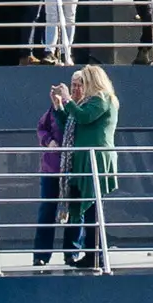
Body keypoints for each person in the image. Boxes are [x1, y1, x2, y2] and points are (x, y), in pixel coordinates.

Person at [58, 65, 119, 270]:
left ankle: (96, 254)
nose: (81, 86)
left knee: (93, 209)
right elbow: (74, 119)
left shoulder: (102, 98)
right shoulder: (93, 101)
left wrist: (68, 99)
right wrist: (61, 105)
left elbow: (85, 117)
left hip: (96, 159)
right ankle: (91, 253)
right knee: (89, 208)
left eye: (84, 81)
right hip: (86, 159)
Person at [26, 79, 76, 265]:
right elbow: (42, 128)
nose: (77, 87)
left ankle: (72, 253)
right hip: (51, 168)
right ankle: (41, 255)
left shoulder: (79, 108)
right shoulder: (53, 109)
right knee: (47, 209)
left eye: (80, 84)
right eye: (74, 84)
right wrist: (49, 141)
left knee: (74, 211)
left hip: (73, 168)